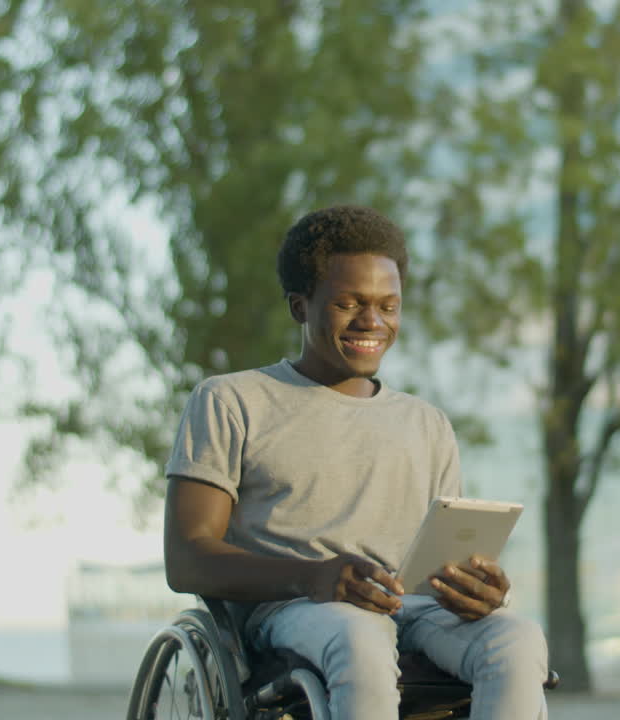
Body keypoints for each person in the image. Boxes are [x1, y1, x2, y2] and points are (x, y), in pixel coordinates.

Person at [162, 205, 549, 720]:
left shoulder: (426, 423)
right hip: (296, 609)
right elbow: (187, 559)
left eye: (389, 306)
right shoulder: (232, 402)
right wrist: (312, 578)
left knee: (518, 638)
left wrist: (475, 587)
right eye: (349, 304)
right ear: (300, 307)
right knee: (359, 633)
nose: (372, 322)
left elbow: (439, 557)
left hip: (415, 606)